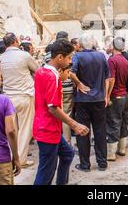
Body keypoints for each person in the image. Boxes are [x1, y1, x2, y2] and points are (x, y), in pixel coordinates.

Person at [33, 39, 89, 185]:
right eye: (69, 58)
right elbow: (53, 107)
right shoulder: (52, 77)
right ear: (60, 57)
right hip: (48, 129)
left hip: (46, 127)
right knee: (46, 173)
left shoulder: (41, 71)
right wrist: (74, 124)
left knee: (68, 154)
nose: (70, 61)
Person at [70, 34, 111, 172]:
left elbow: (71, 73)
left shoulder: (77, 56)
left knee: (83, 132)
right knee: (100, 131)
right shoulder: (101, 56)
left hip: (83, 100)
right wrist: (105, 95)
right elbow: (107, 77)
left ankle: (85, 164)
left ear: (81, 44)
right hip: (99, 99)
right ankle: (102, 163)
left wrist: (79, 84)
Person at [0, 32, 39, 167]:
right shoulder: (24, 55)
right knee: (25, 129)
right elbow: (38, 71)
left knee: (12, 129)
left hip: (7, 97)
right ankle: (20, 160)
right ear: (16, 41)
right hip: (24, 95)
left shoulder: (1, 58)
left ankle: (11, 157)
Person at [105, 37, 128, 161]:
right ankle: (122, 149)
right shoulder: (126, 62)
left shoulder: (112, 60)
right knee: (123, 122)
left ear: (113, 46)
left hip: (115, 96)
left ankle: (111, 154)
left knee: (113, 123)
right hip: (124, 96)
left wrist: (107, 95)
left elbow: (111, 79)